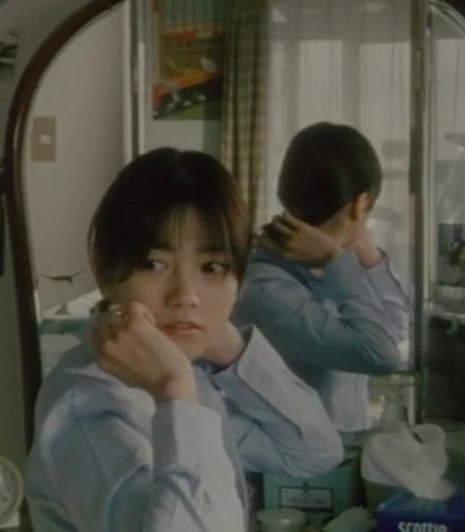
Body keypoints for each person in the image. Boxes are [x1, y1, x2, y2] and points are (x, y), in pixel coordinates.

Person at [25, 147, 342, 532]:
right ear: (106, 269)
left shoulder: (196, 374)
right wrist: (174, 392)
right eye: (155, 264)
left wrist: (229, 349)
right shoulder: (90, 409)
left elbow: (314, 453)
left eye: (212, 267)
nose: (186, 295)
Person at [232, 122, 410, 434]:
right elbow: (381, 355)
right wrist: (338, 262)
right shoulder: (266, 286)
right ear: (361, 204)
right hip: (293, 457)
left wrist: (367, 256)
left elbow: (395, 329)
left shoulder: (342, 268)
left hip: (342, 444)